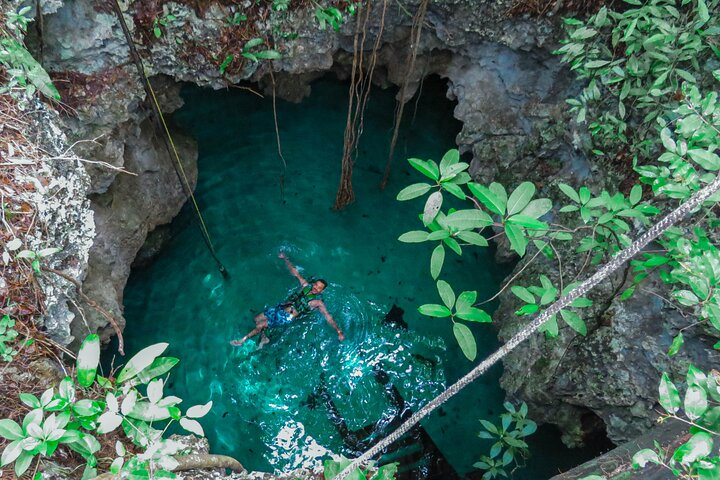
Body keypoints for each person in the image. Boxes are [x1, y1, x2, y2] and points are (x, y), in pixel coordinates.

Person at [230, 252, 345, 347]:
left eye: (319, 288)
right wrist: (285, 259)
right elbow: (295, 272)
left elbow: (328, 317)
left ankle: (242, 340)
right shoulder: (305, 286)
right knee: (256, 319)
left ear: (321, 291)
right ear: (313, 283)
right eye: (316, 285)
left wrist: (338, 331)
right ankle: (265, 338)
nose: (315, 288)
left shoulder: (317, 303)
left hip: (287, 317)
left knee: (260, 325)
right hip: (279, 307)